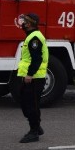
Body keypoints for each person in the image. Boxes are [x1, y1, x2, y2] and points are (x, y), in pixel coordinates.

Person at [17, 13, 49, 143]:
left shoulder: (34, 38)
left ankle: (34, 132)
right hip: (31, 76)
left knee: (31, 105)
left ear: (30, 24)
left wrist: (30, 74)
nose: (22, 23)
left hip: (35, 77)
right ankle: (37, 126)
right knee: (26, 103)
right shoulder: (31, 36)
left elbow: (37, 59)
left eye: (24, 21)